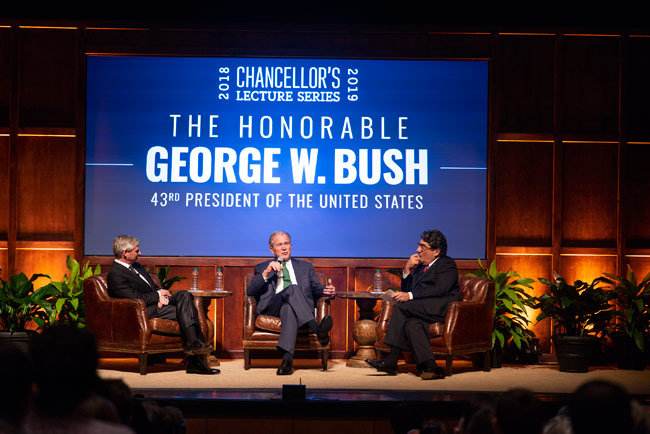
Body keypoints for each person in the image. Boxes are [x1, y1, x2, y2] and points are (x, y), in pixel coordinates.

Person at [107, 235, 219, 375]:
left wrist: (161, 295)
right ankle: (194, 357)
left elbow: (153, 288)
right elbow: (135, 298)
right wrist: (158, 296)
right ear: (125, 252)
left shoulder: (136, 266)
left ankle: (193, 346)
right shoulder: (115, 274)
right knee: (189, 312)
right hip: (143, 310)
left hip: (156, 303)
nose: (140, 253)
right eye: (136, 251)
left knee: (184, 295)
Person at [366, 229, 461, 379]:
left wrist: (410, 296)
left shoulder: (446, 264)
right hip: (423, 309)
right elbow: (407, 290)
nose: (418, 250)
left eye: (423, 247)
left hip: (442, 308)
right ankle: (430, 367)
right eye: (419, 245)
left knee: (403, 307)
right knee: (412, 324)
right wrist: (407, 269)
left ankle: (391, 361)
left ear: (436, 251)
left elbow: (440, 289)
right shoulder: (420, 267)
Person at [246, 230, 336, 375]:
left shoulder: (305, 267)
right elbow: (250, 292)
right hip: (273, 306)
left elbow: (315, 288)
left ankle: (287, 360)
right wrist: (266, 273)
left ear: (291, 246)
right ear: (271, 249)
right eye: (279, 244)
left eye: (286, 243)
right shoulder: (262, 267)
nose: (284, 247)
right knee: (292, 288)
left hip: (297, 307)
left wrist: (326, 290)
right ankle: (316, 328)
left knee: (289, 308)